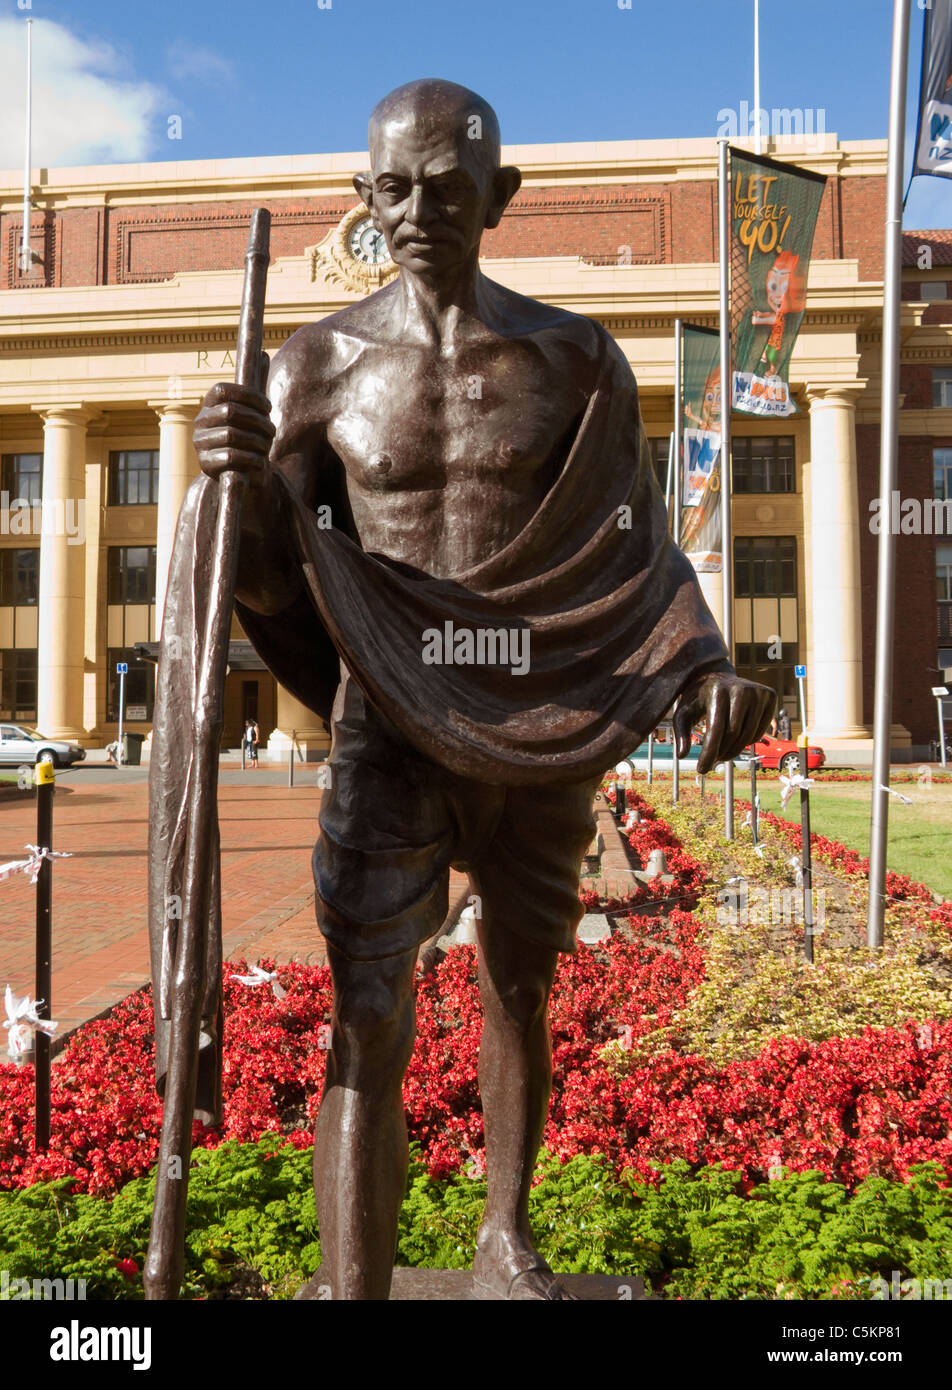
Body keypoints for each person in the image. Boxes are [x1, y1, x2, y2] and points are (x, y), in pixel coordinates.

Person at [155, 78, 774, 1301]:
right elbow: (283, 586)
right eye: (393, 187)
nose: (419, 210)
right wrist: (235, 488)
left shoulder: (574, 360)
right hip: (387, 725)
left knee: (519, 982)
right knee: (367, 1005)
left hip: (542, 722)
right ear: (362, 198)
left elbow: (631, 545)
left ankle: (504, 1232)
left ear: (502, 197)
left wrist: (701, 661)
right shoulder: (314, 365)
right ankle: (354, 1286)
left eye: (448, 187)